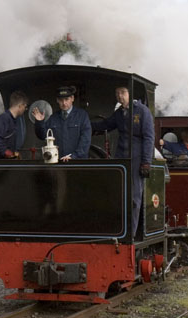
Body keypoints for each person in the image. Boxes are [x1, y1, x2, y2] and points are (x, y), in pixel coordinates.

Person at [92, 86, 154, 237]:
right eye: (117, 93)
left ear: (130, 93)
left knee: (134, 196)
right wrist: (86, 124)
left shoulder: (142, 111)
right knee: (119, 193)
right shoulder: (119, 113)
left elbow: (149, 137)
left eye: (122, 92)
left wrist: (146, 162)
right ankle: (118, 229)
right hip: (121, 157)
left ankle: (131, 233)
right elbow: (106, 125)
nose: (120, 96)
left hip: (137, 158)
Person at [32, 86, 91, 162]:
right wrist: (39, 122)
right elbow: (43, 136)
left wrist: (74, 156)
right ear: (57, 100)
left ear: (72, 98)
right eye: (61, 100)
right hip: (58, 162)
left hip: (77, 163)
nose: (64, 103)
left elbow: (86, 140)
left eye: (66, 99)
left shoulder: (82, 116)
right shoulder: (53, 118)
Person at [0, 90, 28, 159]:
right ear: (20, 106)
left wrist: (15, 153)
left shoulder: (14, 120)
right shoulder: (3, 118)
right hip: (0, 163)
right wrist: (6, 152)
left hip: (7, 162)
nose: (25, 109)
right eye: (25, 106)